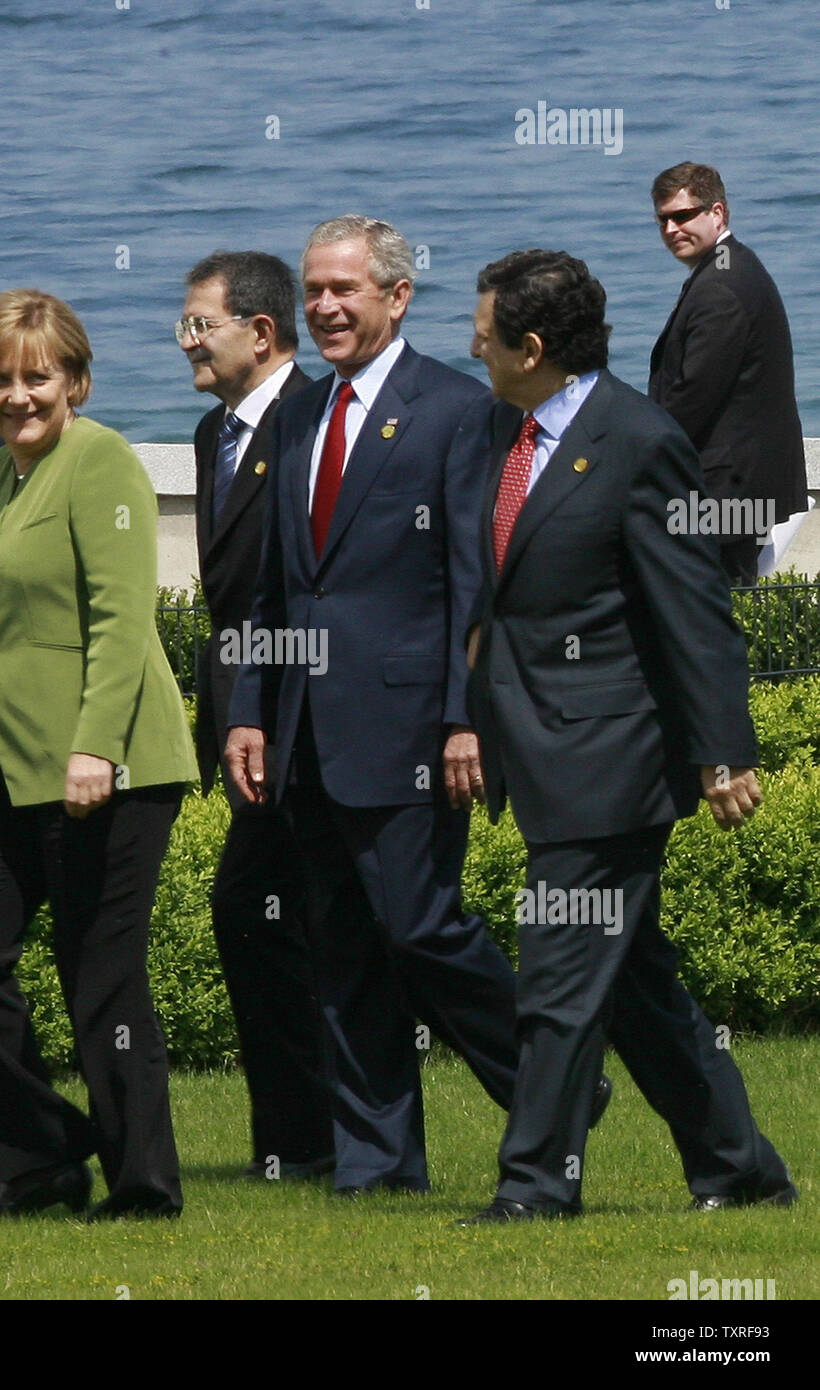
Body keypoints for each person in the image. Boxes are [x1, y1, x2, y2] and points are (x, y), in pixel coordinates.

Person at [226, 216, 607, 1195]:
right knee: (343, 947)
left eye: (344, 289)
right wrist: (249, 708)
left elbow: (474, 582)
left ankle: (554, 1084)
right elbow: (278, 587)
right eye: (313, 289)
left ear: (398, 296)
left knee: (421, 927)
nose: (323, 307)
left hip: (412, 728)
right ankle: (379, 1161)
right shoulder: (300, 417)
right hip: (308, 728)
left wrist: (464, 716)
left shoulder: (452, 409)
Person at [462, 248, 797, 1222]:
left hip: (613, 760)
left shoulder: (640, 439)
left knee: (558, 977)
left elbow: (694, 608)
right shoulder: (502, 429)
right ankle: (740, 1167)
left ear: (531, 345)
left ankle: (534, 1187)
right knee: (636, 984)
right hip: (541, 747)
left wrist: (724, 746)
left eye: (485, 330)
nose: (472, 342)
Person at [0, 289, 198, 1220]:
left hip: (111, 766)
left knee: (100, 978)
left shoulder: (102, 461)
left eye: (37, 377)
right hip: (7, 769)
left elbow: (123, 622)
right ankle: (44, 1153)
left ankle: (144, 1186)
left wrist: (95, 750)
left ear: (74, 379)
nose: (17, 395)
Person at [179, 250, 331, 1179]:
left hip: (301, 710)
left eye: (202, 326)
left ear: (261, 333)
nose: (188, 342)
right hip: (247, 711)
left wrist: (265, 710)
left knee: (271, 909)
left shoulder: (314, 423)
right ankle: (297, 1140)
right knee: (275, 915)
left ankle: (303, 1138)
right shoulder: (213, 433)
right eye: (186, 327)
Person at [648, 162, 807, 583]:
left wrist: (635, 448)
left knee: (714, 612)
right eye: (662, 219)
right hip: (736, 485)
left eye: (682, 216)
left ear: (717, 212)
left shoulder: (721, 284)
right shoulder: (728, 266)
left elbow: (692, 395)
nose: (670, 229)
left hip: (726, 488)